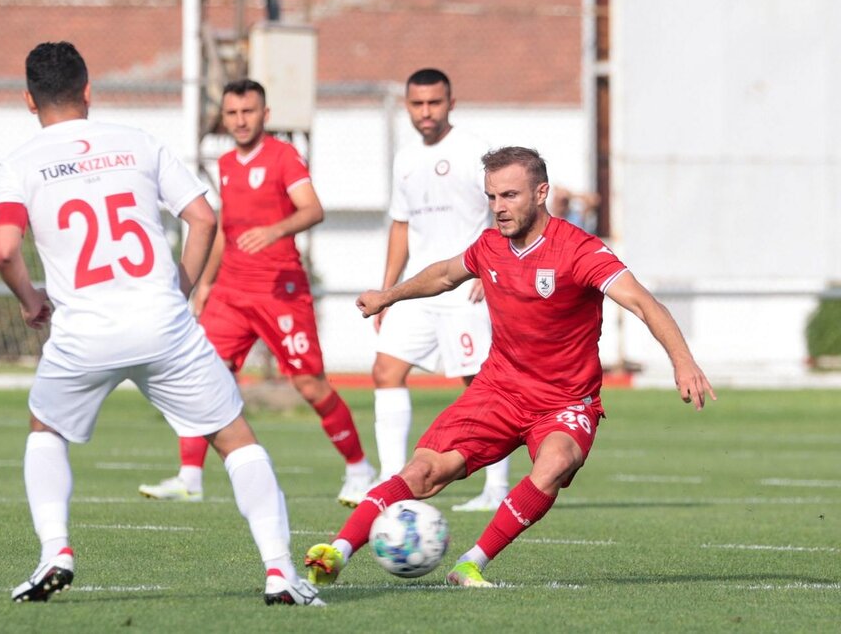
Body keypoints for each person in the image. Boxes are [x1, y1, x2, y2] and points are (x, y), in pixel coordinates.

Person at [0, 42, 323, 606]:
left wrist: (29, 300)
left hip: (83, 332)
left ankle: (55, 551)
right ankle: (280, 571)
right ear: (88, 91)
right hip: (163, 322)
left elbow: (4, 249)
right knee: (235, 440)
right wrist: (182, 288)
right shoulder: (138, 141)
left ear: (29, 100)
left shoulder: (18, 163)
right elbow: (203, 218)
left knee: (45, 430)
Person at [304, 146, 715, 588]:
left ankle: (471, 563)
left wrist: (683, 361)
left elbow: (643, 303)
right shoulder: (489, 247)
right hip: (498, 391)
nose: (498, 207)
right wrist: (388, 296)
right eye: (492, 196)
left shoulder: (579, 250)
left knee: (556, 462)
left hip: (564, 402)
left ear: (541, 193)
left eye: (510, 195)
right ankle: (336, 551)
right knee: (423, 473)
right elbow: (444, 275)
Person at [138, 79, 376, 507]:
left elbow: (312, 209)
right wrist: (206, 283)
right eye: (232, 113)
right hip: (231, 292)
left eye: (248, 112)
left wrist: (274, 230)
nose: (240, 120)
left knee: (309, 384)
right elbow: (225, 229)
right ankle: (190, 477)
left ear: (265, 115)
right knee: (201, 376)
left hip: (279, 292)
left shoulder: (284, 157)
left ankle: (359, 469)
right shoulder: (227, 163)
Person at [372, 68, 509, 512]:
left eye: (434, 103)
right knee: (386, 370)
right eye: (417, 104)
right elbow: (400, 225)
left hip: (466, 287)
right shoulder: (405, 159)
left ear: (451, 103)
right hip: (419, 288)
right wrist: (388, 292)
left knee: (480, 385)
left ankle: (497, 487)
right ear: (407, 106)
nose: (426, 111)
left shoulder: (474, 151)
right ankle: (390, 482)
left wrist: (491, 269)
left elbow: (504, 209)